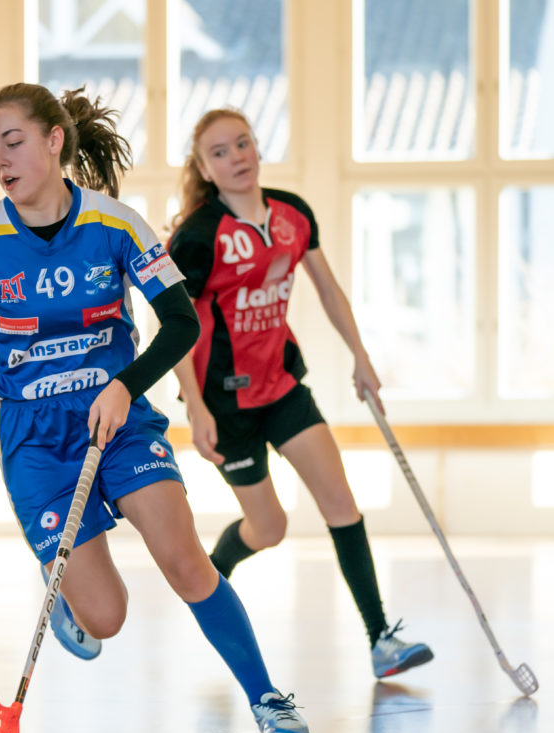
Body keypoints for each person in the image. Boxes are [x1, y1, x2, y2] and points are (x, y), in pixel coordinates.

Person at [0, 83, 308, 733]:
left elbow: (181, 323)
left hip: (118, 415)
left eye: (13, 141)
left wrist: (128, 384)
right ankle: (63, 577)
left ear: (54, 140)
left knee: (186, 560)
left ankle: (266, 695)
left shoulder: (116, 224)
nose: (0, 158)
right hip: (34, 437)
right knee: (106, 617)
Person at [165, 107, 432, 679]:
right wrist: (195, 407)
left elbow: (330, 292)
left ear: (257, 149)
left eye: (243, 144)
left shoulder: (292, 214)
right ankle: (216, 570)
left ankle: (380, 637)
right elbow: (177, 329)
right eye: (220, 152)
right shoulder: (197, 236)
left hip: (283, 386)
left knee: (340, 502)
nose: (236, 157)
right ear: (205, 169)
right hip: (225, 404)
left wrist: (362, 358)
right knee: (271, 528)